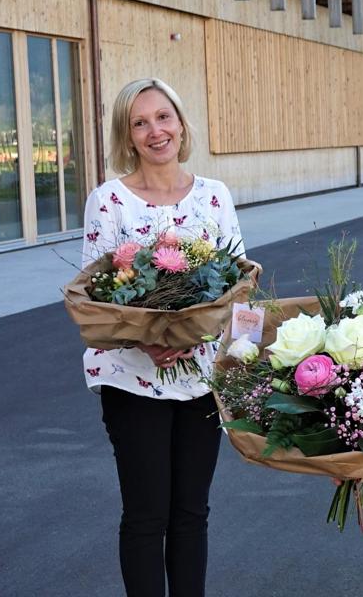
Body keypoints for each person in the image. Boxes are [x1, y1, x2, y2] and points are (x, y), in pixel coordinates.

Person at [80, 78, 244, 597]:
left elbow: (239, 290)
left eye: (163, 117)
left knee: (192, 514)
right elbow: (93, 294)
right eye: (140, 122)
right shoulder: (109, 201)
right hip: (132, 381)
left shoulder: (214, 196)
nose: (156, 131)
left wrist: (197, 334)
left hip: (199, 381)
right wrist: (144, 337)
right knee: (148, 515)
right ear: (127, 136)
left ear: (180, 122)